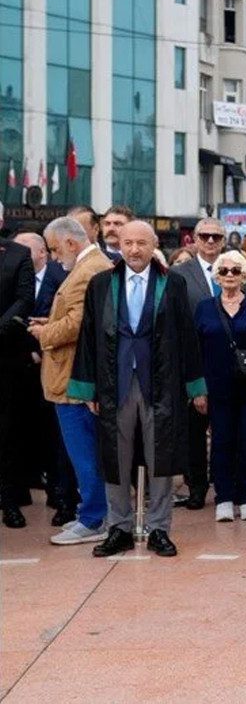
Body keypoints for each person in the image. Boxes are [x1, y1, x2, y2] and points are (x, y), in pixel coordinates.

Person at [69, 220, 207, 558]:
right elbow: (88, 336)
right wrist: (86, 390)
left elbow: (187, 336)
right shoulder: (102, 284)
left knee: (160, 455)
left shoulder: (171, 284)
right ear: (118, 244)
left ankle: (159, 528)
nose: (134, 250)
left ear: (153, 244)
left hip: (160, 383)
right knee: (116, 457)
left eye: (141, 243)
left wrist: (195, 386)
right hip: (114, 384)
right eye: (128, 243)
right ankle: (120, 528)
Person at [33, 217, 114, 544]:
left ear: (70, 242)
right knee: (84, 452)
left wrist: (43, 333)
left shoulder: (88, 269)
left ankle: (95, 518)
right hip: (73, 377)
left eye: (54, 249)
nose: (53, 257)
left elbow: (78, 324)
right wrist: (50, 321)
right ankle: (92, 513)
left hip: (74, 380)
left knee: (84, 453)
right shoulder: (90, 266)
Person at [194, 250, 246, 523]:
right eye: (223, 271)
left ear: (244, 274)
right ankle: (223, 497)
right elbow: (195, 350)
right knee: (221, 441)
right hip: (216, 387)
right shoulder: (204, 307)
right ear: (217, 275)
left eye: (235, 270)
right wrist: (198, 389)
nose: (228, 275)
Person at [13, 232, 73, 523]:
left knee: (56, 435)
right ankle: (20, 487)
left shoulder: (62, 277)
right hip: (18, 367)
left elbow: (66, 319)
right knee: (20, 430)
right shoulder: (10, 276)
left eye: (25, 250)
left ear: (42, 253)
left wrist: (42, 349)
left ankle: (60, 496)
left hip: (56, 367)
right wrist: (28, 353)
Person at [171, 217, 228, 510]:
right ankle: (196, 488)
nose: (210, 241)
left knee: (225, 432)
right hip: (193, 365)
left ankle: (225, 488)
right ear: (193, 239)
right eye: (204, 236)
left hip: (230, 369)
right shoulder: (178, 274)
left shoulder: (235, 268)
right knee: (193, 434)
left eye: (216, 237)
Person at [0, 234, 35, 528]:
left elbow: (25, 298)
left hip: (6, 355)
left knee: (7, 432)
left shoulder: (18, 254)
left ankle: (9, 501)